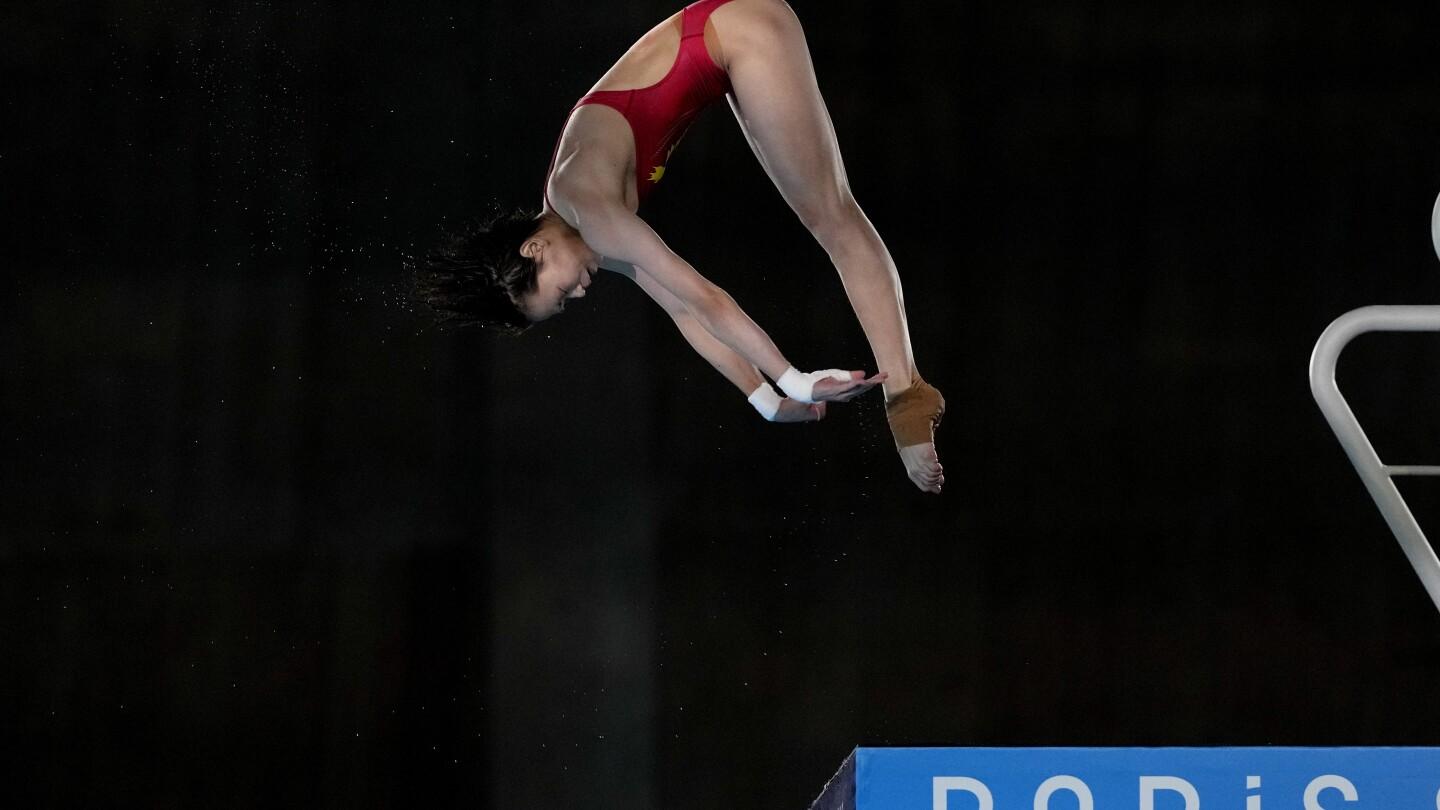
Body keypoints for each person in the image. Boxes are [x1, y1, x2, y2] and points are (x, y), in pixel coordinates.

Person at [415, 0, 945, 493]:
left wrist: (798, 383)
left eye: (558, 294)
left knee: (831, 216)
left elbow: (705, 295)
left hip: (737, 33)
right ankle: (902, 394)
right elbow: (687, 313)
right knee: (824, 215)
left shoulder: (588, 208)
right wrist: (766, 401)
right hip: (725, 49)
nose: (577, 297)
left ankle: (906, 398)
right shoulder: (582, 225)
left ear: (534, 249)